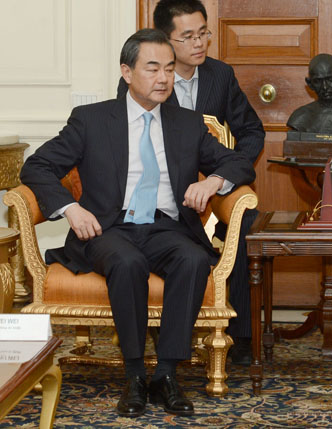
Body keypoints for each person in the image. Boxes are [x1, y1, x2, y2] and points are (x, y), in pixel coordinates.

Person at [21, 29, 255, 418]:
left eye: (168, 68)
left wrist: (213, 180)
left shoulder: (187, 123)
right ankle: (133, 375)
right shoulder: (91, 120)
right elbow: (38, 165)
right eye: (152, 68)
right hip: (107, 228)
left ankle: (165, 374)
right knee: (127, 263)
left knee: (194, 260)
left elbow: (239, 162)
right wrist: (70, 209)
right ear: (127, 72)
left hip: (167, 227)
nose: (163, 78)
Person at [117, 0, 265, 366]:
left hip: (213, 185)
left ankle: (241, 333)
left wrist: (226, 177)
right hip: (167, 190)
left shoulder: (220, 76)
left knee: (246, 221)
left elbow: (251, 132)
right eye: (188, 37)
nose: (199, 43)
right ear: (165, 41)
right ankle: (157, 327)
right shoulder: (141, 80)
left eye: (204, 33)